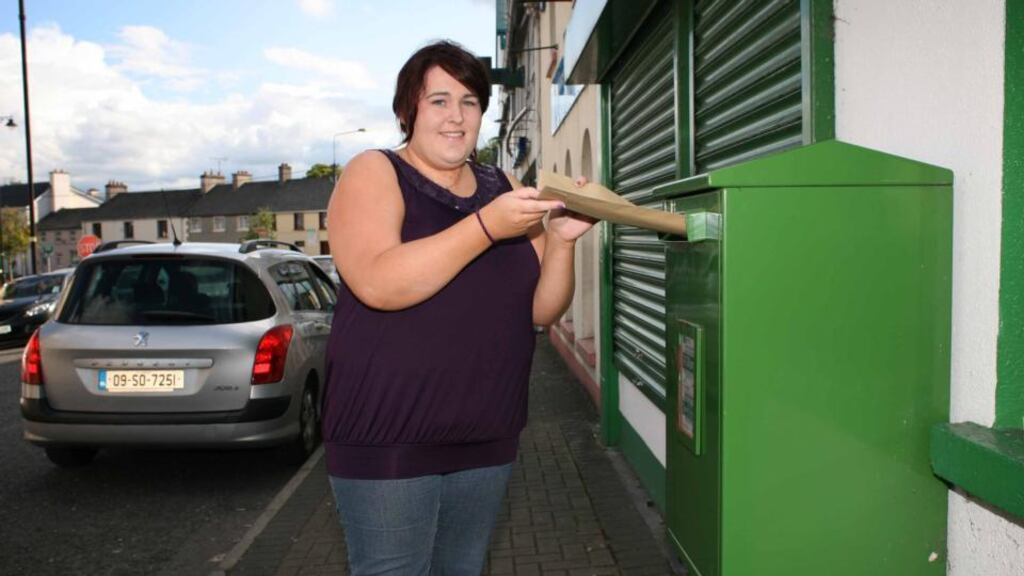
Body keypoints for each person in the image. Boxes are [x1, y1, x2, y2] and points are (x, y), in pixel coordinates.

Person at [322, 39, 596, 575]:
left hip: (487, 431)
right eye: (439, 100)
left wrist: (562, 242)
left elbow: (540, 311)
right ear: (408, 110)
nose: (456, 116)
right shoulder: (374, 171)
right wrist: (486, 226)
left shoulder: (503, 185)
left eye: (469, 101)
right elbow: (378, 282)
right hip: (390, 435)